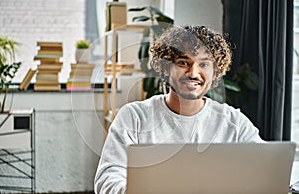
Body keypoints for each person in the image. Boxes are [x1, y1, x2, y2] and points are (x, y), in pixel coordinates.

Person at [94, 25, 265, 194]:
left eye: (204, 64)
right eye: (183, 63)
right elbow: (107, 178)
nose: (193, 73)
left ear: (215, 73)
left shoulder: (234, 122)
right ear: (166, 68)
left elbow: (264, 171)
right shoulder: (134, 117)